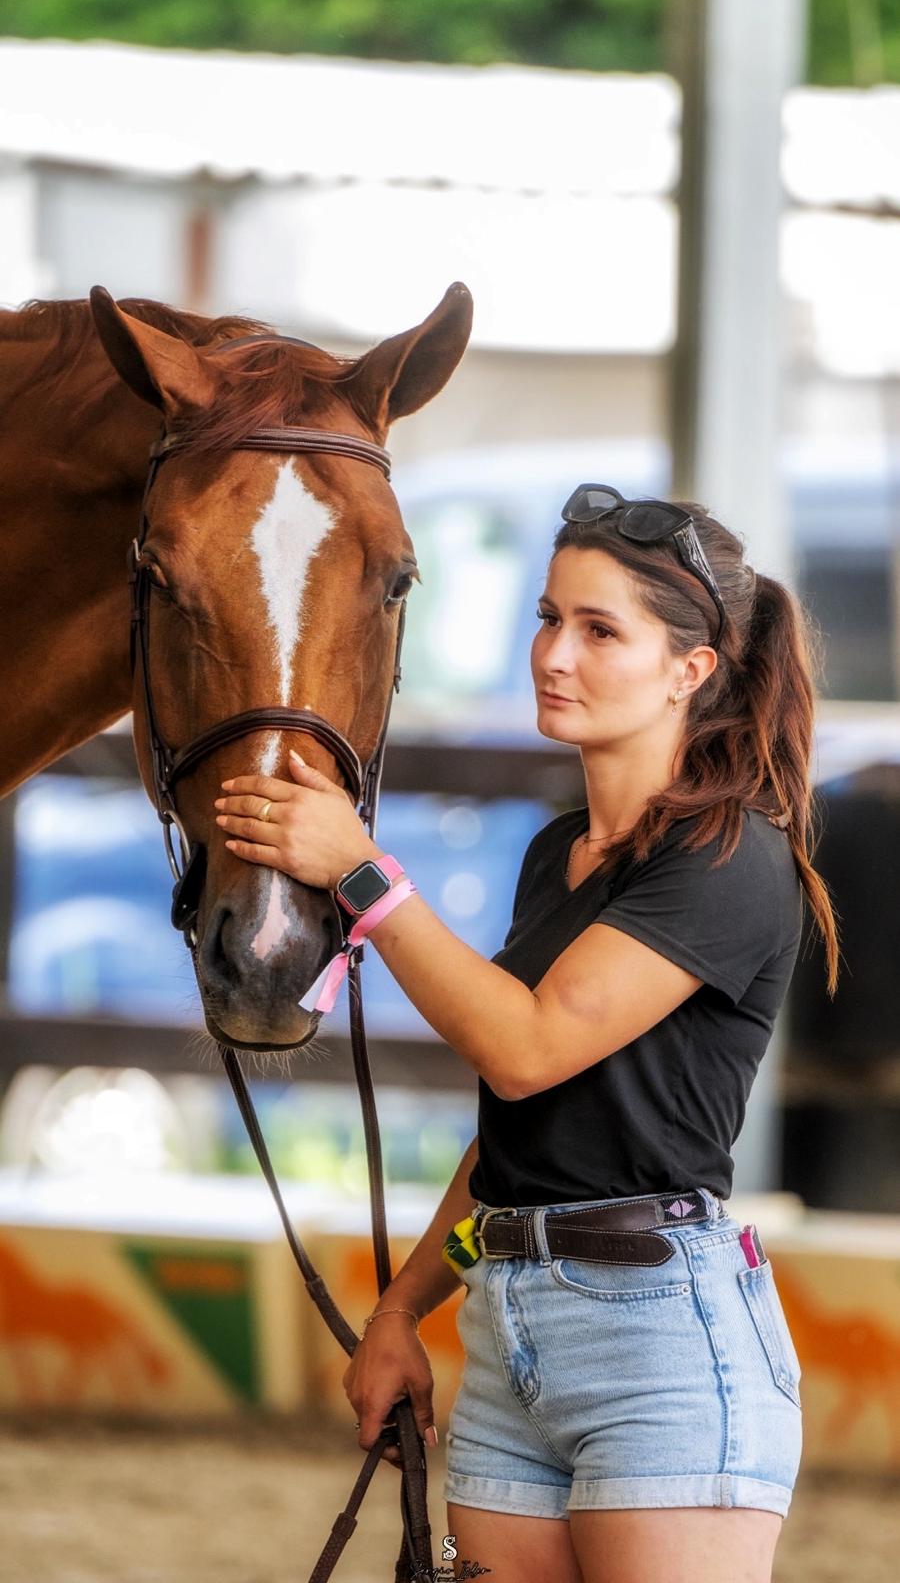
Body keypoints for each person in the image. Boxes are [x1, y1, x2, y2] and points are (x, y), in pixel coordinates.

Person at [212, 484, 839, 1583]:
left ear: (692, 668)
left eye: (601, 630)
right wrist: (404, 1309)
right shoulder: (558, 854)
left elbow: (527, 1044)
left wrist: (363, 876)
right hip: (508, 1336)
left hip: (661, 1338)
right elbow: (526, 1128)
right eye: (550, 617)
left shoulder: (731, 857)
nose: (554, 652)